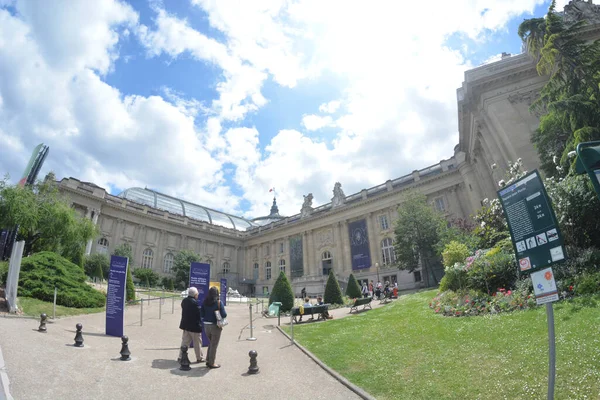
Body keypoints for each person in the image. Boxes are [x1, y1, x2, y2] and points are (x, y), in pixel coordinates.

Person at [200, 286, 227, 369]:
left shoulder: (205, 302)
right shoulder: (218, 302)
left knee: (211, 343)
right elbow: (224, 314)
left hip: (206, 326)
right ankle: (211, 363)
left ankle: (208, 359)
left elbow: (202, 314)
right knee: (214, 345)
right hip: (215, 326)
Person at [178, 287, 204, 364]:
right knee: (197, 344)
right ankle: (199, 358)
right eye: (197, 294)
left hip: (186, 325)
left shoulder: (184, 301)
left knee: (185, 342)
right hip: (194, 327)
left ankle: (180, 356)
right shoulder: (195, 304)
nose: (198, 295)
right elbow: (198, 315)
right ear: (195, 295)